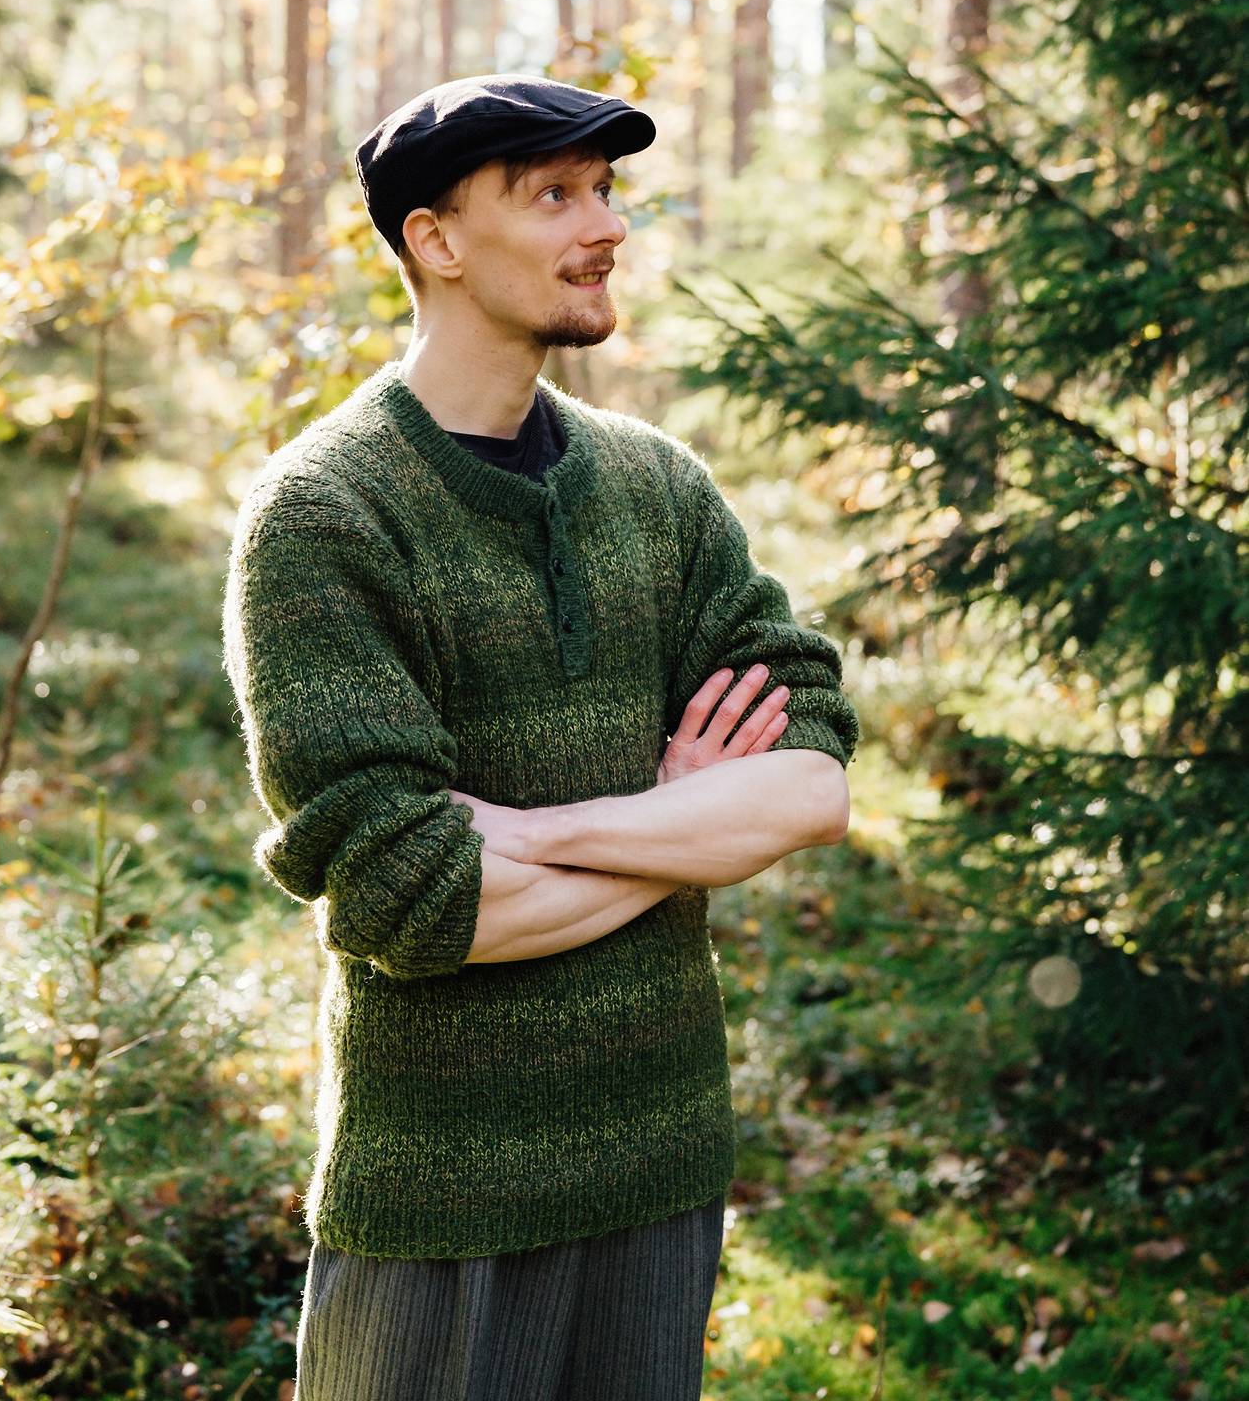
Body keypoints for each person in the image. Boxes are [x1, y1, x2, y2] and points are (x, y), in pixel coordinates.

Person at [221, 74, 860, 1401]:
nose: (607, 225)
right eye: (554, 194)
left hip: (662, 1162)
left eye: (605, 190)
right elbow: (414, 899)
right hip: (441, 1193)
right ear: (436, 240)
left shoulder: (657, 485)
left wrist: (541, 833)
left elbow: (807, 785)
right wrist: (684, 823)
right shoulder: (324, 513)